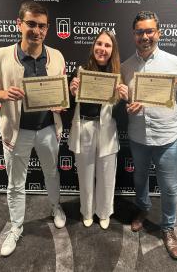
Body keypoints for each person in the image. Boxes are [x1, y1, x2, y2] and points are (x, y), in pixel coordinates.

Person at [0, 1, 66, 257]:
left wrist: (62, 103)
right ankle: (16, 226)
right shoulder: (1, 55)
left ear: (47, 29)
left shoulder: (57, 56)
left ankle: (55, 207)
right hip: (16, 133)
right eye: (31, 24)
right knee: (15, 184)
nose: (36, 30)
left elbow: (61, 95)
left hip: (48, 130)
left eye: (42, 26)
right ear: (19, 24)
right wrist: (3, 93)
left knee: (51, 173)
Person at [121, 11, 177, 259]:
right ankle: (143, 210)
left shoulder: (175, 63)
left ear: (158, 33)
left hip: (167, 137)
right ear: (134, 35)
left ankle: (167, 228)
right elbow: (124, 100)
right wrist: (127, 102)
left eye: (149, 31)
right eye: (139, 32)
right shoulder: (125, 67)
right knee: (140, 180)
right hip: (139, 136)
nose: (145, 36)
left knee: (168, 187)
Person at [68, 30, 128, 230]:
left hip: (107, 129)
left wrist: (122, 98)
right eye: (99, 44)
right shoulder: (80, 71)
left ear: (113, 50)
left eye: (107, 45)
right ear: (93, 46)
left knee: (106, 173)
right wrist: (71, 92)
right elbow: (66, 107)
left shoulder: (117, 77)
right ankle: (87, 211)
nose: (102, 49)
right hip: (84, 126)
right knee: (85, 173)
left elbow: (120, 116)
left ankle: (103, 212)